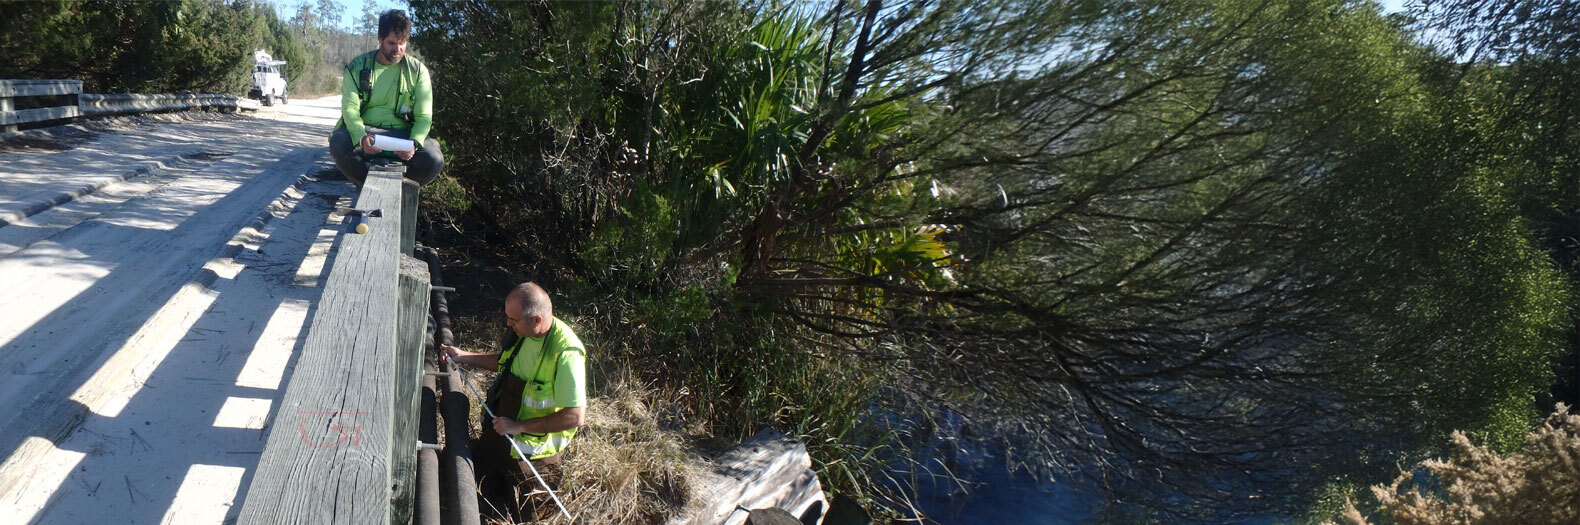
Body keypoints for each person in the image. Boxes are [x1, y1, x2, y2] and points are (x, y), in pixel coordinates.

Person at [441, 282, 586, 520]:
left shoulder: (566, 353)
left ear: (536, 320)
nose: (508, 324)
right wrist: (464, 356)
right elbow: (505, 362)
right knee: (477, 483)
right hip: (501, 435)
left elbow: (576, 417)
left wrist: (519, 427)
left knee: (530, 514)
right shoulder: (524, 333)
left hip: (531, 454)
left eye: (513, 319)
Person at [328, 9, 444, 190]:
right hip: (368, 133)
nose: (397, 49)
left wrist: (414, 142)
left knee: (434, 159)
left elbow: (424, 117)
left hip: (403, 136)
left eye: (402, 44)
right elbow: (350, 110)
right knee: (338, 142)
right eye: (391, 43)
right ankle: (367, 186)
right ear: (380, 38)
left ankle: (403, 190)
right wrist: (361, 136)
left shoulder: (418, 71)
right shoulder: (356, 68)